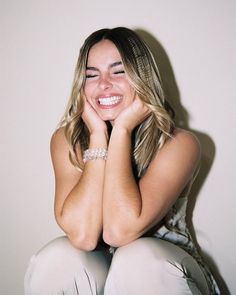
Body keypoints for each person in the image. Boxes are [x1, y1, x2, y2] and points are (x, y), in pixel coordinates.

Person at [24, 27, 220, 294]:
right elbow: (82, 235)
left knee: (138, 259)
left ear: (142, 78)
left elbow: (119, 232)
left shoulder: (179, 143)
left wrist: (123, 129)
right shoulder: (66, 140)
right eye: (91, 74)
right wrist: (97, 135)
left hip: (166, 270)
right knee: (57, 258)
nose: (103, 84)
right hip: (101, 267)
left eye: (119, 71)